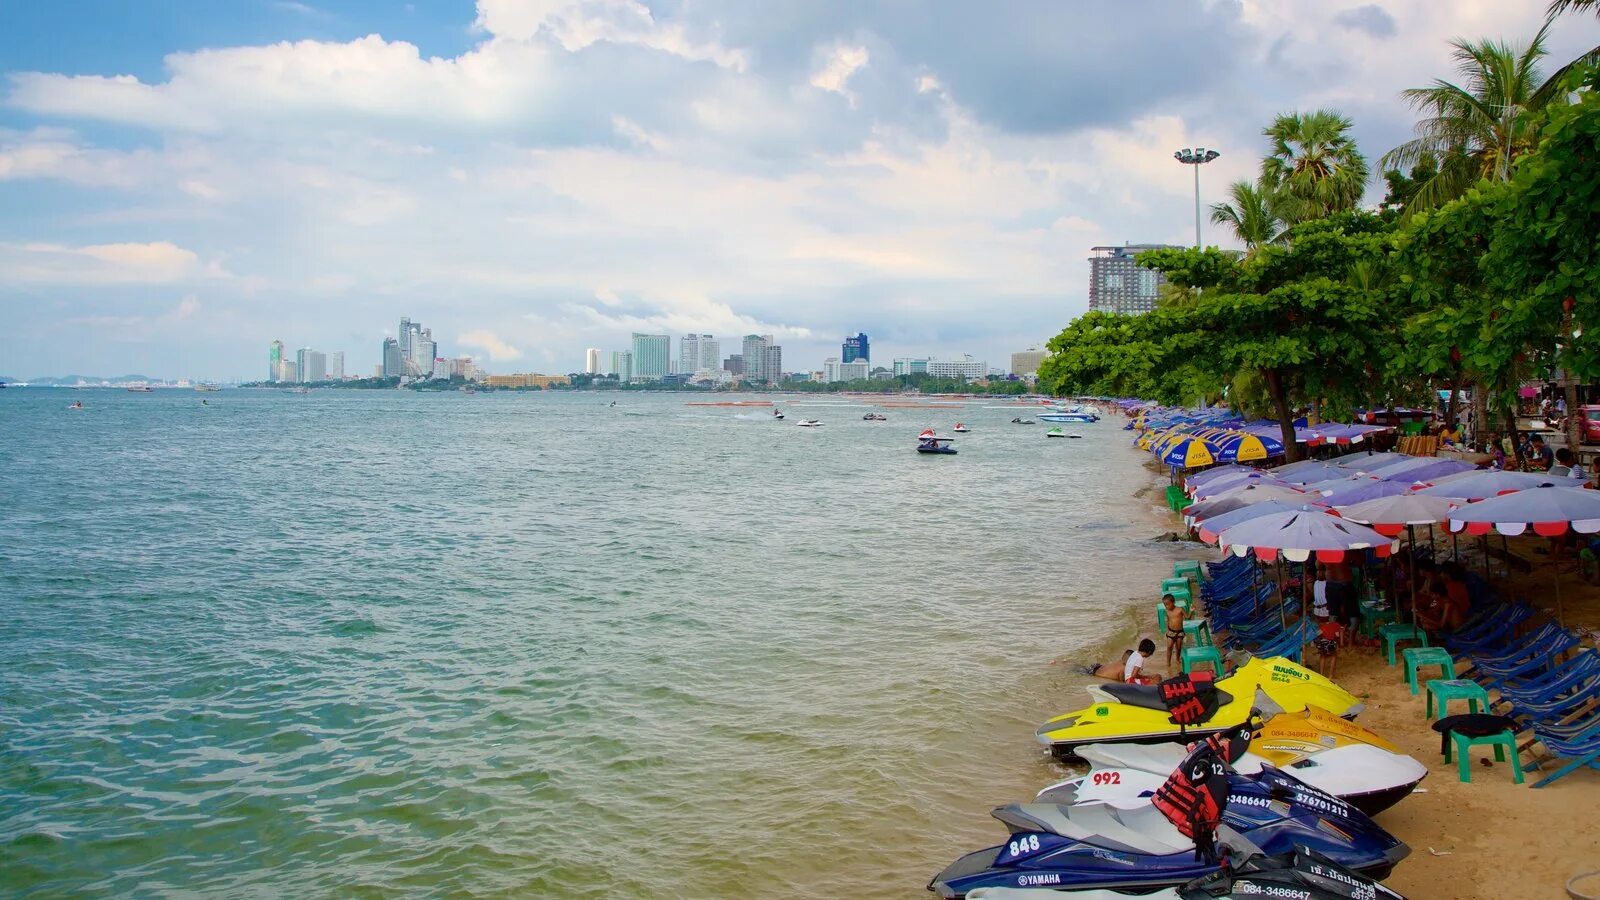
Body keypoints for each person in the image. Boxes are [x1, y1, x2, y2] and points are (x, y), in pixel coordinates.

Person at [1312, 615, 1343, 679]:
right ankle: (1331, 675)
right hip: (1331, 643)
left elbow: (1317, 634)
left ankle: (1321, 674)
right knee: (1334, 657)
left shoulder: (1322, 626)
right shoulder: (1336, 625)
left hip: (1323, 643)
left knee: (1322, 657)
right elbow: (1337, 635)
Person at [1163, 595, 1186, 669]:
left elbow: (1188, 617)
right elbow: (1167, 621)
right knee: (1169, 647)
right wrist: (1166, 631)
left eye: (1168, 604)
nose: (1166, 606)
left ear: (1173, 602)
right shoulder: (1167, 611)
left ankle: (1177, 659)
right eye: (1165, 605)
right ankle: (1168, 663)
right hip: (1170, 631)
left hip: (1179, 631)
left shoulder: (1180, 609)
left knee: (1178, 647)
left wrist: (1191, 611)